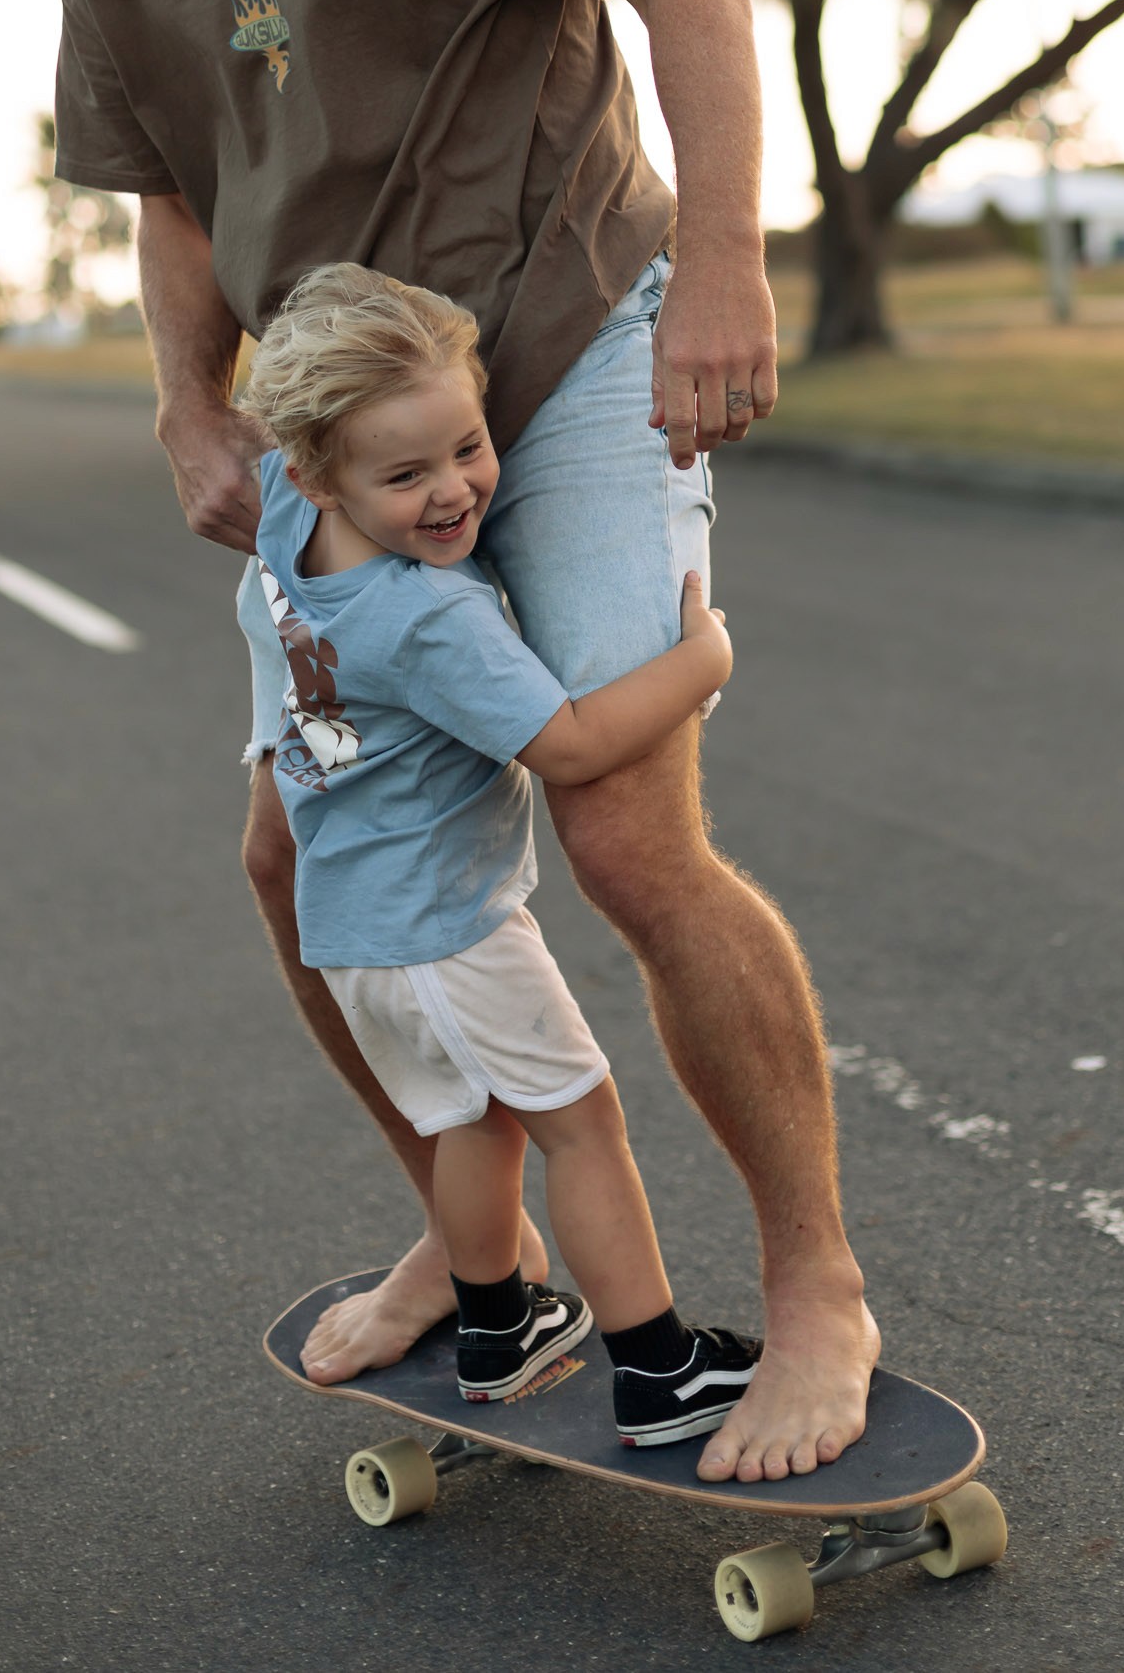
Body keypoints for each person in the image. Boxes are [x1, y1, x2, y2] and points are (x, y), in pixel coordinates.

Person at [19, 0, 878, 1483]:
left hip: (566, 346)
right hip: (337, 425)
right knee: (295, 850)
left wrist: (730, 264)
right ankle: (472, 1248)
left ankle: (815, 1281)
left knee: (618, 837)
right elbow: (168, 182)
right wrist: (183, 396)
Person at [240, 260, 760, 1441]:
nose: (452, 492)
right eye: (405, 472)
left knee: (473, 1122)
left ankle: (495, 1326)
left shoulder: (288, 513)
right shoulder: (430, 618)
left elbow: (274, 457)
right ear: (327, 471)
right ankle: (658, 1365)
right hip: (451, 928)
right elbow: (569, 745)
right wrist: (701, 660)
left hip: (359, 930)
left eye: (467, 447)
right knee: (583, 1123)